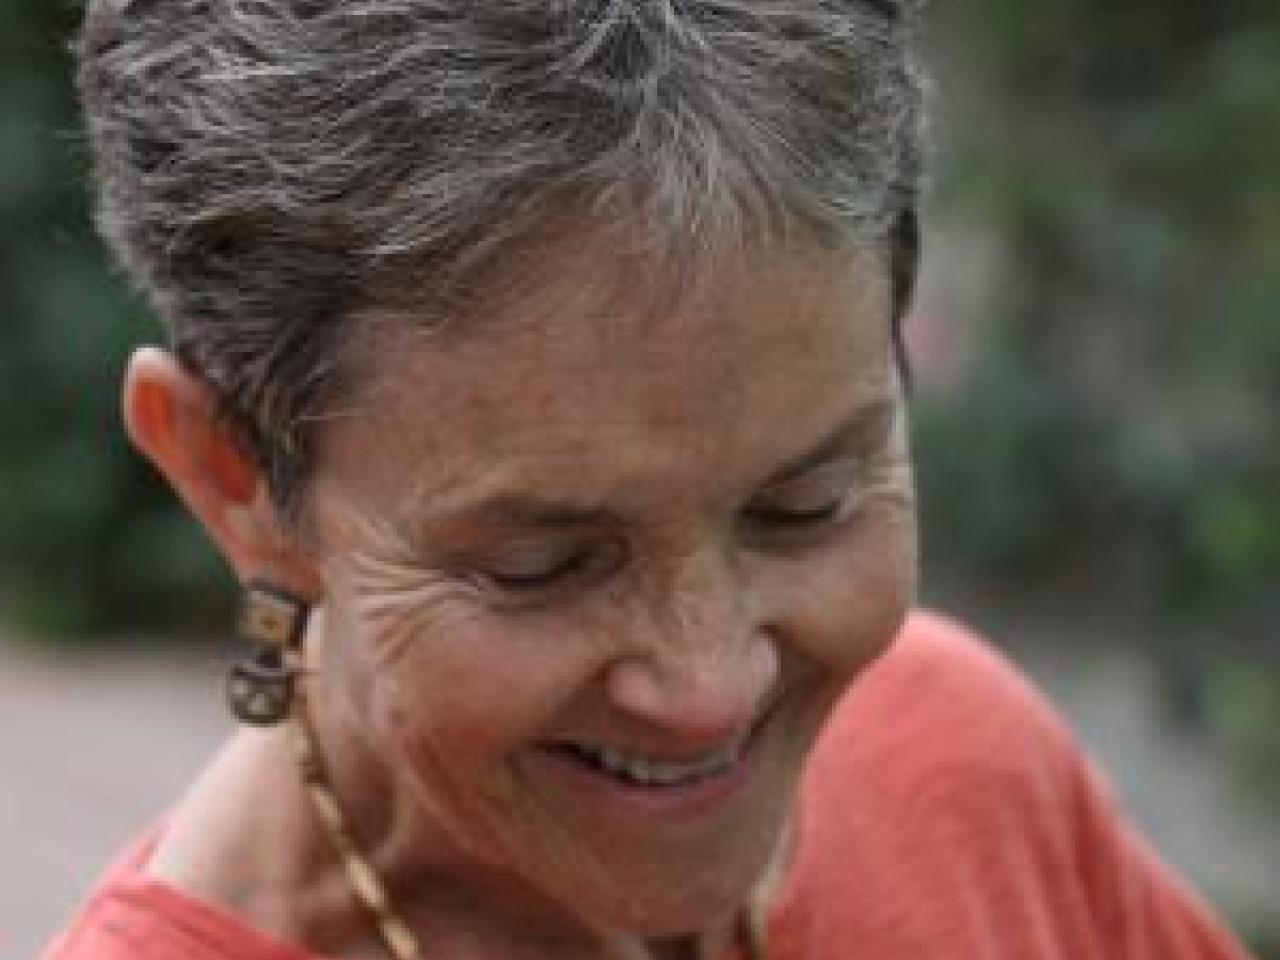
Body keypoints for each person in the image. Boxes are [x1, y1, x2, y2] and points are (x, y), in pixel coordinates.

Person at [47, 2, 1253, 959]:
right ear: (234, 479)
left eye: (804, 507)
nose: (706, 685)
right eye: (543, 567)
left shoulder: (956, 764)